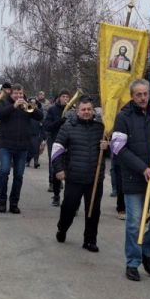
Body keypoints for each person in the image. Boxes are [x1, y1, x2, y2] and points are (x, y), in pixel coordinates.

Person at [112, 78, 150, 281]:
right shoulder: (123, 117)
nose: (143, 97)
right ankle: (133, 263)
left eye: (146, 93)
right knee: (135, 222)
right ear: (132, 96)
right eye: (139, 94)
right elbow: (118, 148)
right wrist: (142, 167)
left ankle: (146, 251)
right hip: (134, 177)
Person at [52, 96, 107, 251]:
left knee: (93, 211)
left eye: (89, 109)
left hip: (95, 179)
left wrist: (106, 146)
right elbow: (57, 149)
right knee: (69, 207)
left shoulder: (101, 128)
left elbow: (112, 152)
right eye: (83, 109)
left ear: (93, 110)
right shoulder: (68, 127)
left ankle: (90, 240)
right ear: (77, 111)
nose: (86, 112)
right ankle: (62, 228)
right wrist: (59, 169)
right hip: (74, 177)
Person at [0, 83, 43, 213]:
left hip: (22, 146)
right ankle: (2, 201)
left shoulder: (27, 105)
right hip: (6, 144)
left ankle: (14, 203)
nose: (18, 96)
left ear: (23, 93)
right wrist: (13, 107)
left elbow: (40, 116)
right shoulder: (4, 102)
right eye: (15, 93)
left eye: (20, 93)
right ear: (11, 94)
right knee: (4, 172)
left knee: (19, 176)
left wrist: (29, 107)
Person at [44, 89, 71, 203]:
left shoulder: (72, 110)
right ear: (59, 98)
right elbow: (48, 126)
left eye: (67, 96)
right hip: (55, 140)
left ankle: (69, 198)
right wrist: (60, 121)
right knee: (56, 167)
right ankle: (56, 194)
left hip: (70, 142)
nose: (65, 98)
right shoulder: (52, 109)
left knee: (69, 167)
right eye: (63, 96)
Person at [26, 97, 46, 168]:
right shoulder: (27, 111)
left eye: (34, 103)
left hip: (37, 133)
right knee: (29, 149)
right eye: (32, 103)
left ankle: (36, 162)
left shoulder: (39, 112)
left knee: (36, 149)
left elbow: (43, 124)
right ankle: (28, 161)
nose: (33, 104)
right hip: (29, 133)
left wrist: (44, 137)